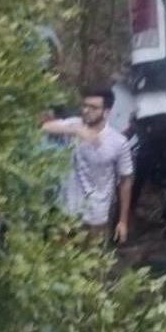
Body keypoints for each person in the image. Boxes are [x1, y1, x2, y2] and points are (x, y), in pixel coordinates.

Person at [41, 87, 133, 244]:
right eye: (84, 105)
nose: (86, 110)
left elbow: (126, 181)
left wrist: (123, 221)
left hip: (95, 218)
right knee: (56, 261)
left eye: (93, 108)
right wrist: (76, 131)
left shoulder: (118, 142)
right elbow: (44, 126)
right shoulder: (74, 124)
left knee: (92, 265)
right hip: (64, 213)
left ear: (106, 111)